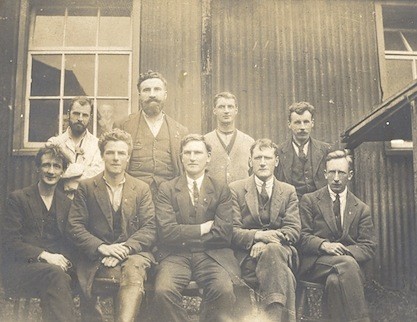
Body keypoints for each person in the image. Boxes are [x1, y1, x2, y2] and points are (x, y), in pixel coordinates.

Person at [67, 129, 156, 322]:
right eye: (110, 152)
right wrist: (103, 248)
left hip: (132, 254)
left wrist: (123, 250)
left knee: (134, 271)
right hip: (96, 255)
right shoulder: (87, 187)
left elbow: (149, 228)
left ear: (128, 157)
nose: (116, 158)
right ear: (102, 155)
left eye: (121, 153)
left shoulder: (141, 188)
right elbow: (75, 226)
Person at [154, 134, 240, 322]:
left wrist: (182, 233)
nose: (192, 157)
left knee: (223, 290)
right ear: (181, 157)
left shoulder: (221, 188)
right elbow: (166, 232)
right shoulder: (167, 189)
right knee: (163, 291)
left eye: (198, 152)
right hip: (175, 256)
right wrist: (201, 228)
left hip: (211, 255)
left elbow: (223, 233)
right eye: (188, 153)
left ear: (208, 157)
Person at [298, 150, 377, 322]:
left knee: (335, 281)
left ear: (350, 175)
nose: (335, 178)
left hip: (345, 267)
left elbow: (368, 246)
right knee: (346, 264)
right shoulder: (310, 200)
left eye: (341, 172)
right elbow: (302, 237)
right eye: (331, 172)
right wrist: (324, 245)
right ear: (325, 174)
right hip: (316, 264)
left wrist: (342, 252)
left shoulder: (361, 208)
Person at [230, 139, 300, 322]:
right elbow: (231, 230)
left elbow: (293, 229)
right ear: (250, 161)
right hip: (248, 257)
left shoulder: (288, 191)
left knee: (273, 250)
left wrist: (266, 242)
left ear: (276, 161)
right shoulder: (236, 190)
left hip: (281, 252)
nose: (262, 162)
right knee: (285, 276)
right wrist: (258, 236)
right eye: (257, 157)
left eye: (267, 158)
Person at [2, 147, 75, 322]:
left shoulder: (67, 204)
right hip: (21, 269)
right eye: (46, 165)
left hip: (53, 272)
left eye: (57, 166)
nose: (51, 171)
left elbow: (70, 241)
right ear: (37, 168)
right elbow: (9, 241)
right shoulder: (18, 199)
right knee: (57, 276)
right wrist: (44, 255)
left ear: (63, 171)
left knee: (70, 277)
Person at [121, 70, 188, 196]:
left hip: (168, 196)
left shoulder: (180, 131)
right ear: (139, 95)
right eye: (146, 90)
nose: (152, 94)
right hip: (132, 195)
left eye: (157, 89)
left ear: (165, 95)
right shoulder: (124, 125)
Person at [46, 96, 104, 193]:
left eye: (85, 115)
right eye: (76, 114)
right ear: (68, 114)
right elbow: (51, 172)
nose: (80, 119)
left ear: (90, 117)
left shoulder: (97, 145)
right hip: (59, 198)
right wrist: (82, 169)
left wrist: (65, 172)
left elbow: (96, 175)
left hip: (87, 199)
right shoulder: (55, 142)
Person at [274, 102, 331, 199]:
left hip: (319, 208)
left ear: (312, 123)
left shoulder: (326, 150)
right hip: (291, 207)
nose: (302, 127)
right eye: (297, 122)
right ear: (289, 124)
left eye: (306, 122)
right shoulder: (278, 152)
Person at [204, 92, 254, 184]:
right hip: (214, 197)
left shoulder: (249, 142)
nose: (226, 111)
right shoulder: (205, 141)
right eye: (221, 107)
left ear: (236, 110)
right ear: (214, 110)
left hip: (241, 196)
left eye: (230, 107)